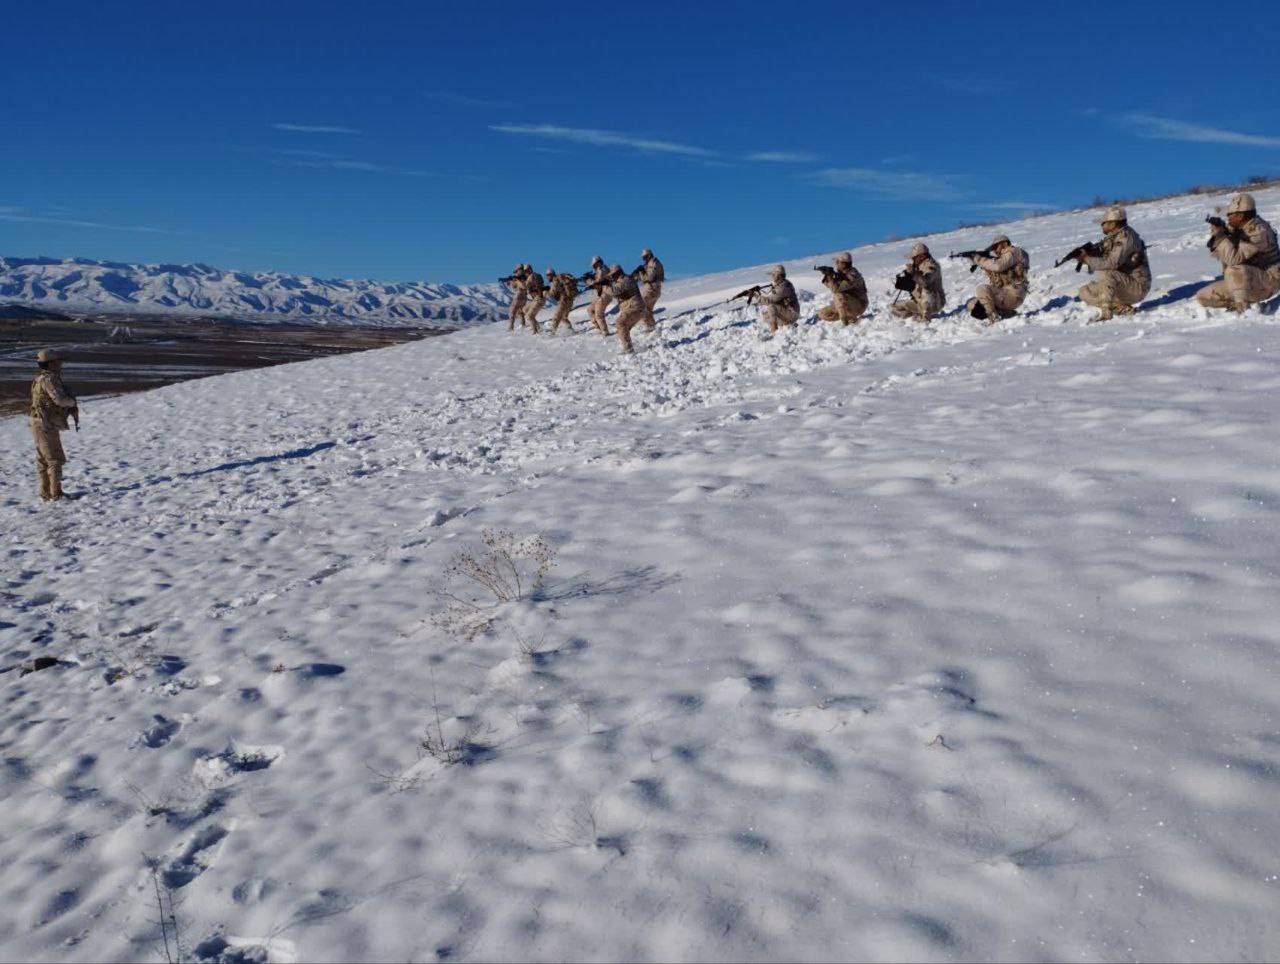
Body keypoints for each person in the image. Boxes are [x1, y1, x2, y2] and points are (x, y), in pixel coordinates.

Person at [1195, 193, 1280, 313]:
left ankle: (1243, 310)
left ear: (1240, 216)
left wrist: (1222, 236)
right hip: (1246, 280)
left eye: (1230, 215)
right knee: (1203, 296)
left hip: (1269, 280)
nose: (1228, 217)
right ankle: (1240, 299)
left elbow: (1234, 260)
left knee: (1234, 269)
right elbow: (1218, 255)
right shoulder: (1238, 227)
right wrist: (1219, 236)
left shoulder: (1258, 231)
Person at [1076, 206, 1150, 321]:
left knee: (1109, 272)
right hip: (1119, 283)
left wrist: (1087, 259)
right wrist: (1090, 255)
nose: (1101, 226)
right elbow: (1101, 263)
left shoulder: (1126, 237)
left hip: (1136, 286)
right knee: (1084, 292)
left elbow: (1111, 263)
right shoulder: (1112, 238)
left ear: (1112, 223)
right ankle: (1122, 308)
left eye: (1103, 223)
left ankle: (1106, 313)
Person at [29, 349, 78, 502]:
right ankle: (56, 495)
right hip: (46, 423)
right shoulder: (49, 379)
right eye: (58, 361)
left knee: (43, 459)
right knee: (54, 459)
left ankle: (46, 493)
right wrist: (72, 402)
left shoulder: (39, 379)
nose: (60, 364)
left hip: (37, 421)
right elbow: (59, 400)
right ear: (51, 363)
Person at [965, 234, 1030, 322]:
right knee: (972, 304)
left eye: (996, 246)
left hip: (1013, 294)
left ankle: (993, 317)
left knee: (982, 288)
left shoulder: (1015, 252)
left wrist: (979, 259)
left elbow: (998, 266)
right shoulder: (1003, 259)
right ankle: (1004, 313)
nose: (995, 250)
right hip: (1003, 295)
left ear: (1005, 243)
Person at [890, 243, 946, 321]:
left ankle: (926, 318)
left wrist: (913, 274)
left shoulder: (932, 266)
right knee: (894, 308)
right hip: (920, 302)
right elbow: (916, 284)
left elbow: (925, 282)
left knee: (927, 290)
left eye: (914, 258)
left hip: (935, 303)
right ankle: (917, 315)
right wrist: (908, 283)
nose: (912, 260)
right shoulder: (917, 266)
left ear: (922, 256)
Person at [604, 264, 647, 354]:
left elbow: (614, 292)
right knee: (623, 328)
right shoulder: (622, 280)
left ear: (617, 273)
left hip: (635, 308)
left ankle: (628, 349)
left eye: (613, 275)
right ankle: (631, 347)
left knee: (620, 323)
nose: (612, 277)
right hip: (633, 308)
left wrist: (605, 286)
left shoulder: (626, 280)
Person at [816, 252, 868, 325]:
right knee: (822, 313)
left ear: (843, 264)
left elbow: (836, 290)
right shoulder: (842, 274)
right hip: (846, 303)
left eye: (838, 262)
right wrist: (828, 276)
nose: (836, 264)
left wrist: (830, 276)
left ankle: (845, 321)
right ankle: (848, 316)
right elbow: (831, 286)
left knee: (838, 295)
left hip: (859, 304)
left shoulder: (852, 275)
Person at [756, 265, 801, 332]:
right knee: (766, 316)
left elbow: (769, 300)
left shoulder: (783, 288)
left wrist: (755, 296)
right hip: (789, 312)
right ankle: (790, 324)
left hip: (792, 314)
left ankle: (774, 330)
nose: (772, 277)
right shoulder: (783, 284)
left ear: (779, 276)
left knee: (771, 307)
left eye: (774, 275)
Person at [636, 248, 664, 329]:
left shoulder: (653, 263)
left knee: (642, 307)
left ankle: (648, 326)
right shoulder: (651, 263)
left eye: (644, 257)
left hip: (652, 289)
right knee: (648, 310)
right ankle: (652, 326)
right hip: (654, 289)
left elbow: (649, 277)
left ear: (649, 255)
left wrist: (641, 272)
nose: (644, 259)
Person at [586, 255, 612, 336]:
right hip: (602, 294)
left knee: (598, 314)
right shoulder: (600, 270)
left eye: (594, 265)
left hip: (606, 294)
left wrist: (588, 280)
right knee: (590, 309)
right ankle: (599, 328)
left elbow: (597, 284)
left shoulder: (602, 270)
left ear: (598, 263)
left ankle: (605, 332)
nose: (593, 267)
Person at [547, 268, 578, 334]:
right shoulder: (560, 279)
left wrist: (547, 292)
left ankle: (552, 332)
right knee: (563, 317)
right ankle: (571, 330)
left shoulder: (555, 280)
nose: (547, 277)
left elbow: (553, 292)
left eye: (548, 275)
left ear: (551, 274)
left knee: (557, 316)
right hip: (570, 300)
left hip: (563, 300)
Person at [522, 265, 547, 334]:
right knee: (525, 309)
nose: (525, 273)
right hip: (539, 298)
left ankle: (535, 332)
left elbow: (524, 287)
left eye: (525, 271)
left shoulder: (530, 277)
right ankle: (537, 327)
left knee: (529, 316)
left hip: (538, 299)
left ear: (528, 270)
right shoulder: (538, 275)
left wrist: (517, 281)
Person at [506, 264, 528, 332]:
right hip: (524, 297)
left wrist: (513, 281)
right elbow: (516, 286)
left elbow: (520, 286)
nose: (516, 272)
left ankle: (510, 327)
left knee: (512, 311)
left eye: (517, 270)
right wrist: (510, 281)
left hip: (518, 297)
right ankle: (523, 324)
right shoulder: (525, 276)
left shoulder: (520, 277)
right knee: (520, 311)